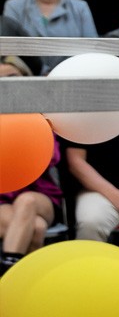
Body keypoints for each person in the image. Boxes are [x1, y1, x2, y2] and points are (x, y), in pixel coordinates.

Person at [0, 60, 63, 275]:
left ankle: (6, 270)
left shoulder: (39, 115)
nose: (6, 85)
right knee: (36, 228)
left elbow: (52, 157)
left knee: (26, 202)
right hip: (3, 196)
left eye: (12, 79)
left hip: (39, 194)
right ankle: (23, 282)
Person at [3, 0, 98, 74]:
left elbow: (93, 48)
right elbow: (9, 49)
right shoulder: (13, 6)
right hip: (27, 77)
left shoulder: (80, 7)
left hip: (71, 76)